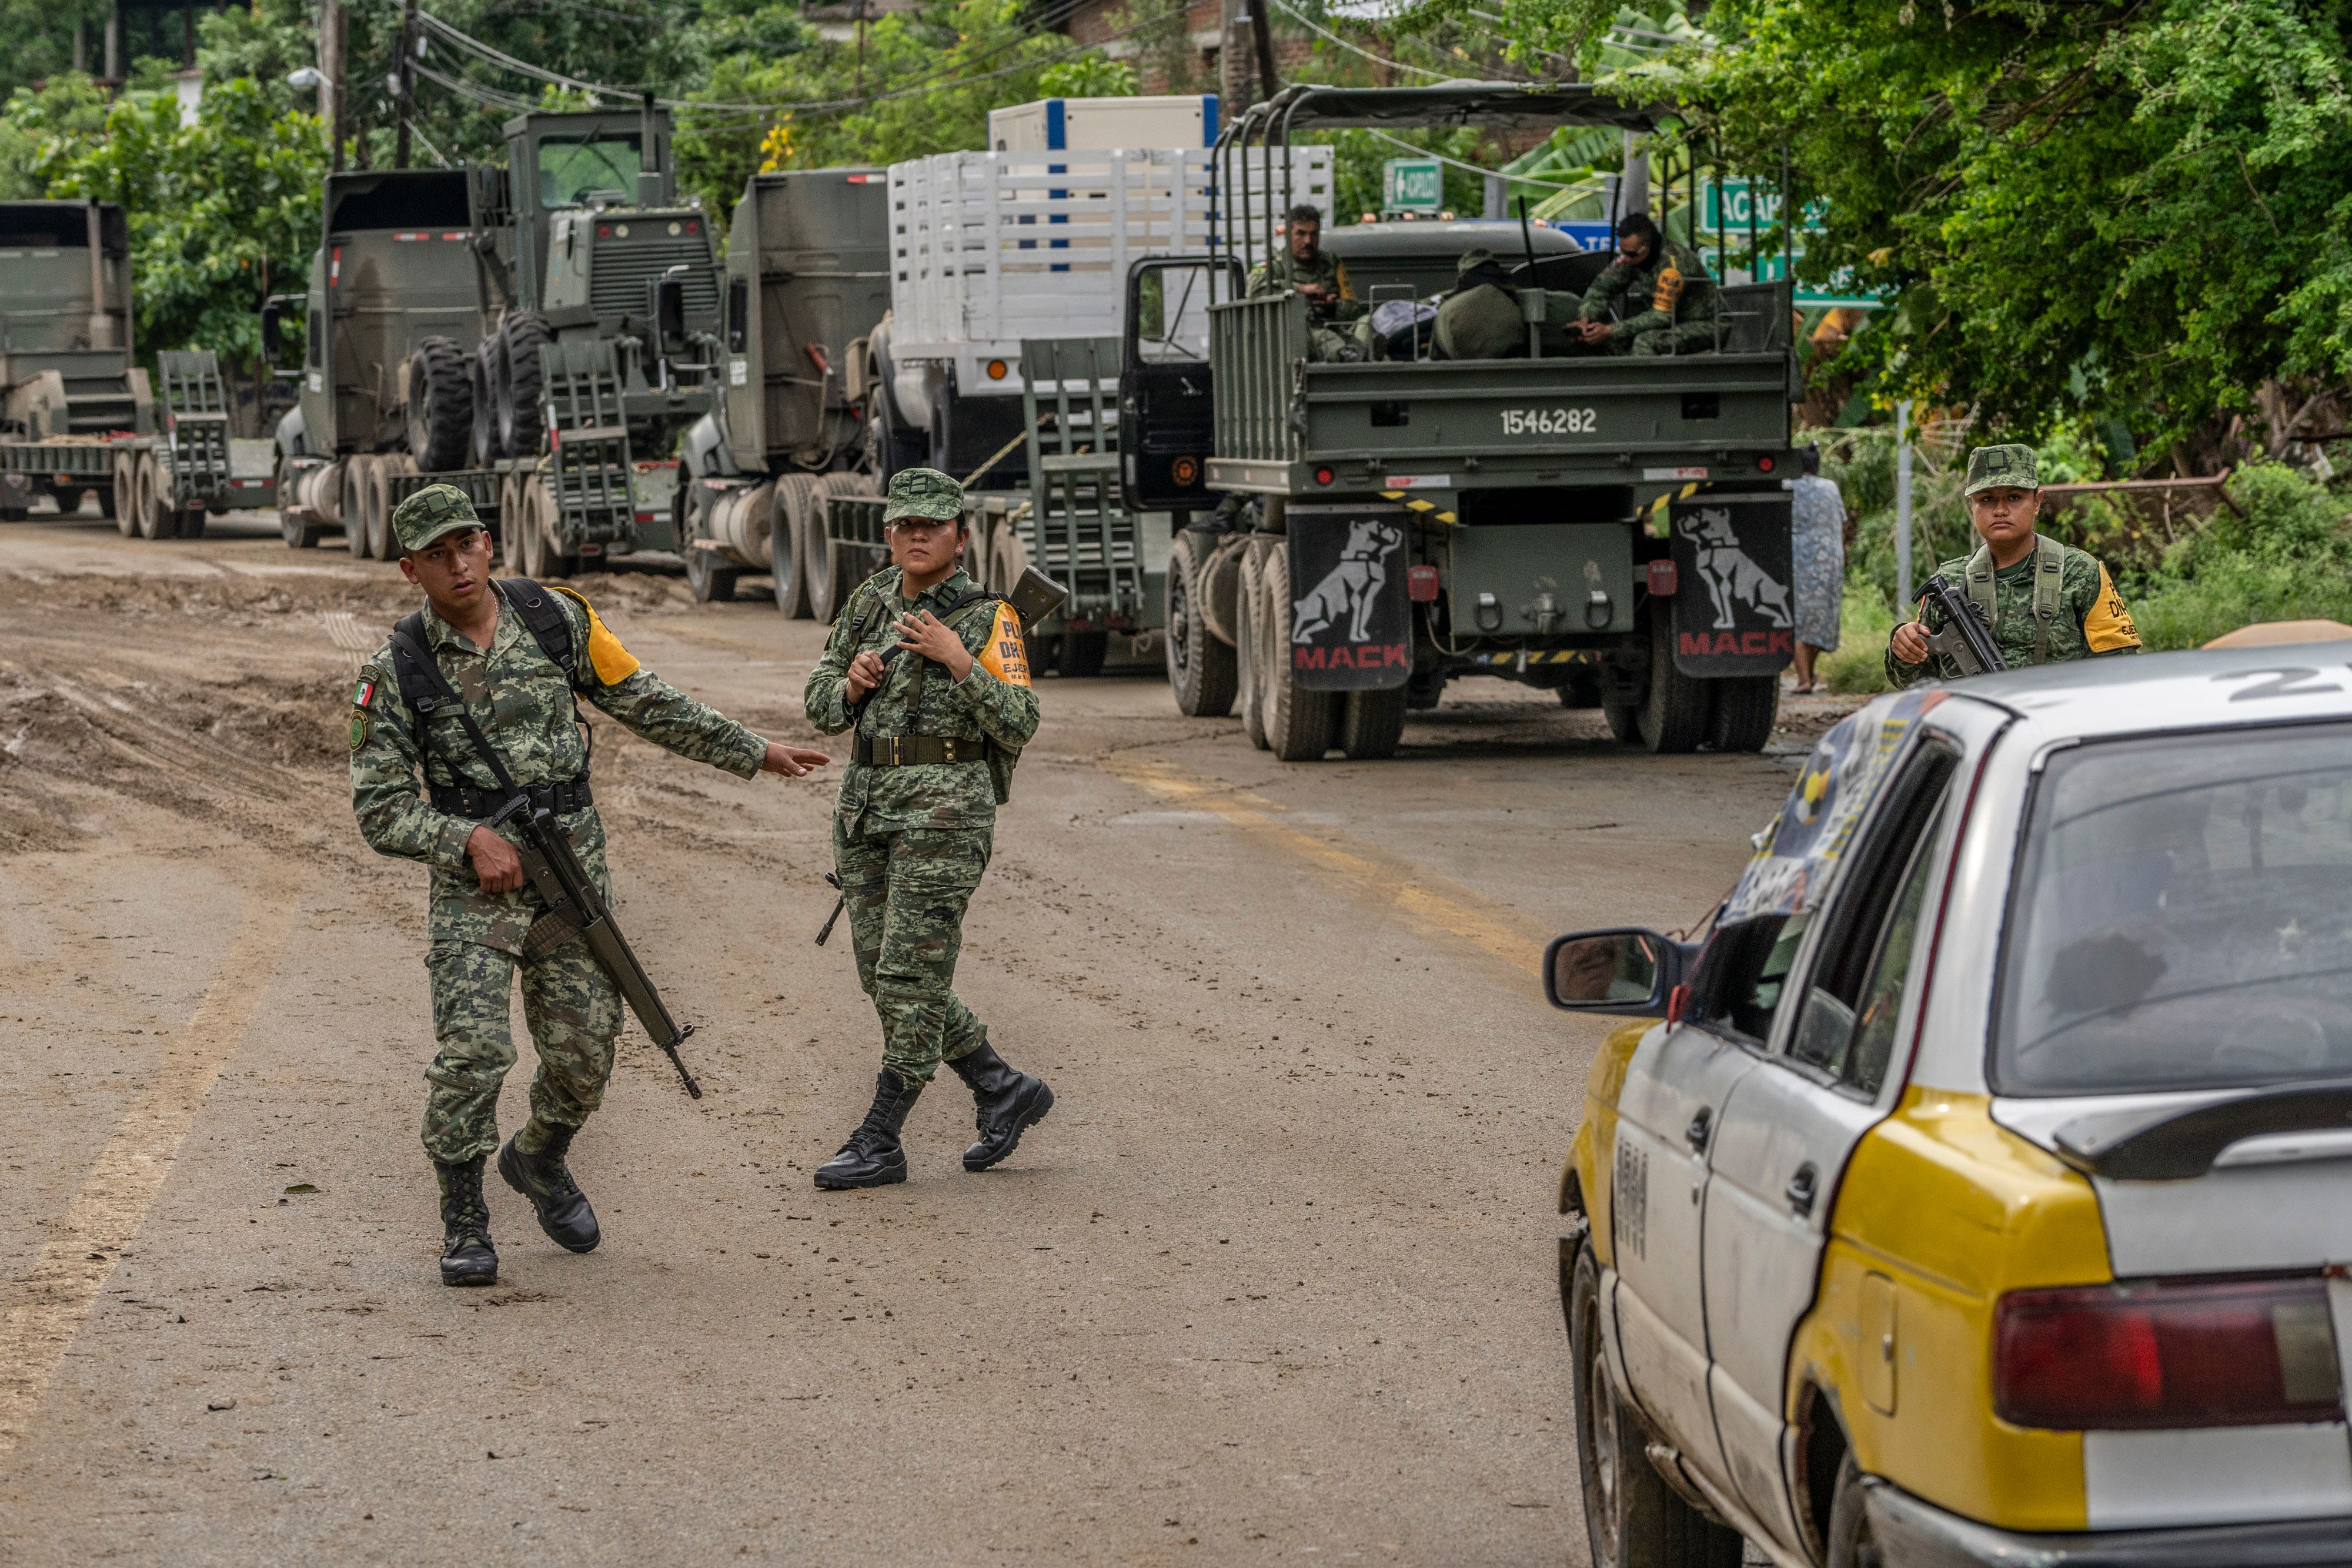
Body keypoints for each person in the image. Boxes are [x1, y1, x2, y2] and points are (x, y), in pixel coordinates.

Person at [350, 484, 833, 1287]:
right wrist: (464, 837)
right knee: (473, 1053)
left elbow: (645, 698)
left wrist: (752, 749)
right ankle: (464, 1216)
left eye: (466, 542)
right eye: (436, 554)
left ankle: (539, 1156)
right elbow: (379, 806)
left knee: (585, 1053)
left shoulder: (555, 619)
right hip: (475, 887)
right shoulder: (398, 666)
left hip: (570, 875)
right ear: (411, 569)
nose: (457, 563)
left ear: (490, 542)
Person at [802, 467, 1049, 1190]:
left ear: (960, 535)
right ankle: (999, 1085)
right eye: (905, 524)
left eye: (932, 525)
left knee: (910, 975)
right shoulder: (868, 602)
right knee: (882, 974)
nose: (916, 535)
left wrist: (959, 661)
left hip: (944, 815)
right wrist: (850, 685)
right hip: (867, 810)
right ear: (888, 534)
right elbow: (818, 704)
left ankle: (881, 1136)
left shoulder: (988, 616)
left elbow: (1021, 721)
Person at [1886, 443, 2142, 684]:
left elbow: (2120, 669)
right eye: (1986, 499)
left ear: (2037, 502)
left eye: (2014, 497)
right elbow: (1919, 684)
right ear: (1972, 505)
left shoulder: (2080, 573)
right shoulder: (1951, 580)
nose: (2000, 510)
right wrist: (1904, 650)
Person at [1574, 212, 1721, 357]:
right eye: (1623, 252)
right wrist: (1586, 319)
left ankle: (1645, 381)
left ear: (1649, 245)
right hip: (1669, 326)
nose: (1626, 259)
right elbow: (1602, 288)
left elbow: (1662, 316)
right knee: (1601, 339)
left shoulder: (1674, 266)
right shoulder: (1633, 255)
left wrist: (1611, 330)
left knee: (1644, 342)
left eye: (1632, 254)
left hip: (1705, 325)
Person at [1248, 203, 1364, 362]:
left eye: (1313, 234)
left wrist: (1333, 306)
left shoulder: (1331, 262)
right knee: (1327, 342)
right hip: (1292, 339)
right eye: (1301, 234)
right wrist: (1302, 290)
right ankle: (1344, 355)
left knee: (1366, 336)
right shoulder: (1273, 265)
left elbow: (1353, 306)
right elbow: (1254, 290)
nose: (1308, 241)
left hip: (1334, 327)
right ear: (1288, 235)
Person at [1788, 445, 1846, 693]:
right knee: (1820, 622)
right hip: (1829, 563)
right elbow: (1840, 521)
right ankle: (1808, 677)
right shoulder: (1830, 488)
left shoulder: (1788, 487)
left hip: (1798, 562)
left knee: (1798, 621)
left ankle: (1804, 680)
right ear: (1817, 466)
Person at [1430, 249, 1529, 362]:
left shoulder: (1451, 303)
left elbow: (1434, 353)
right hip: (1509, 361)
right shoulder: (1511, 295)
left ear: (1463, 272)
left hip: (1457, 362)